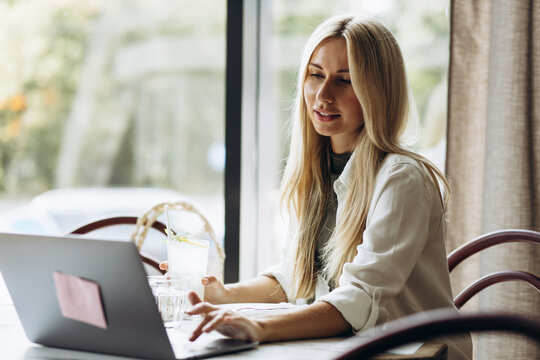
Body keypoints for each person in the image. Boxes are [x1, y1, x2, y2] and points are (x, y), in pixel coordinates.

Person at [162, 14, 472, 359]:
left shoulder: (402, 178)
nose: (322, 95)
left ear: (378, 91)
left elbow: (358, 299)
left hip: (418, 354)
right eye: (316, 75)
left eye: (345, 80)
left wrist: (258, 328)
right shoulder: (317, 171)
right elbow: (296, 278)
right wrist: (223, 295)